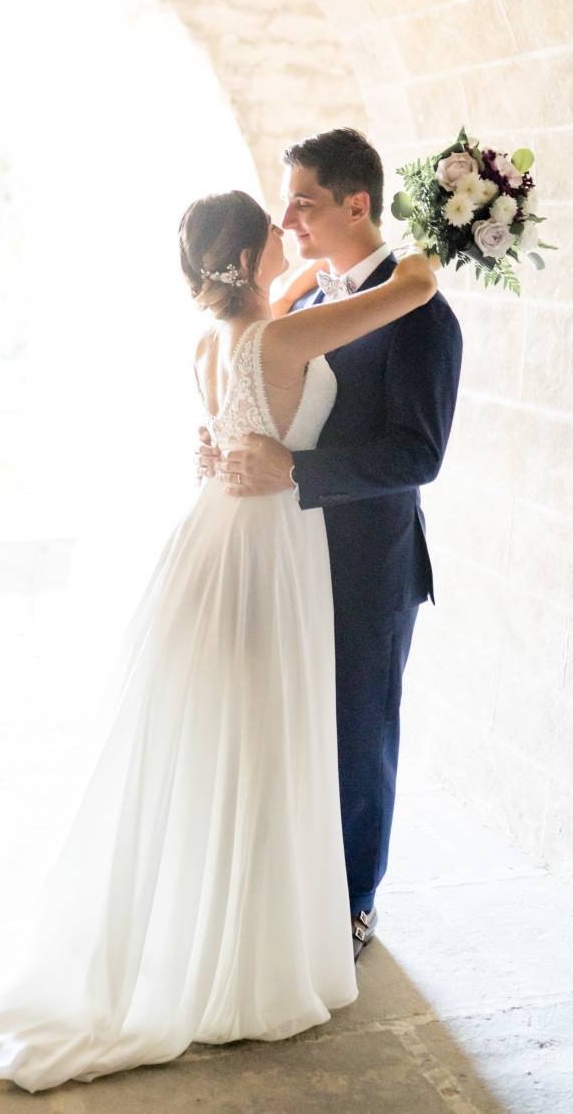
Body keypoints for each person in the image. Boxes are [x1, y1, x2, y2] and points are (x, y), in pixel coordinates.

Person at [0, 189, 438, 1093]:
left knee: (223, 737)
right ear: (248, 261)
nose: (288, 244)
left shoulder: (213, 341)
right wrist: (446, 228)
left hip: (212, 533)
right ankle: (247, 946)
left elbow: (264, 330)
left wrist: (281, 257)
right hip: (268, 543)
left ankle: (211, 922)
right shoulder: (283, 338)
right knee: (264, 735)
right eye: (271, 239)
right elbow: (409, 290)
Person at [200, 130, 463, 959]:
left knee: (358, 731)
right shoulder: (310, 302)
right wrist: (227, 443)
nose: (288, 218)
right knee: (299, 727)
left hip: (369, 562)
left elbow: (418, 453)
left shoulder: (421, 312)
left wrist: (294, 469)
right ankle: (295, 883)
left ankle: (352, 901)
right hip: (292, 557)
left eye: (303, 201)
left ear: (357, 203)